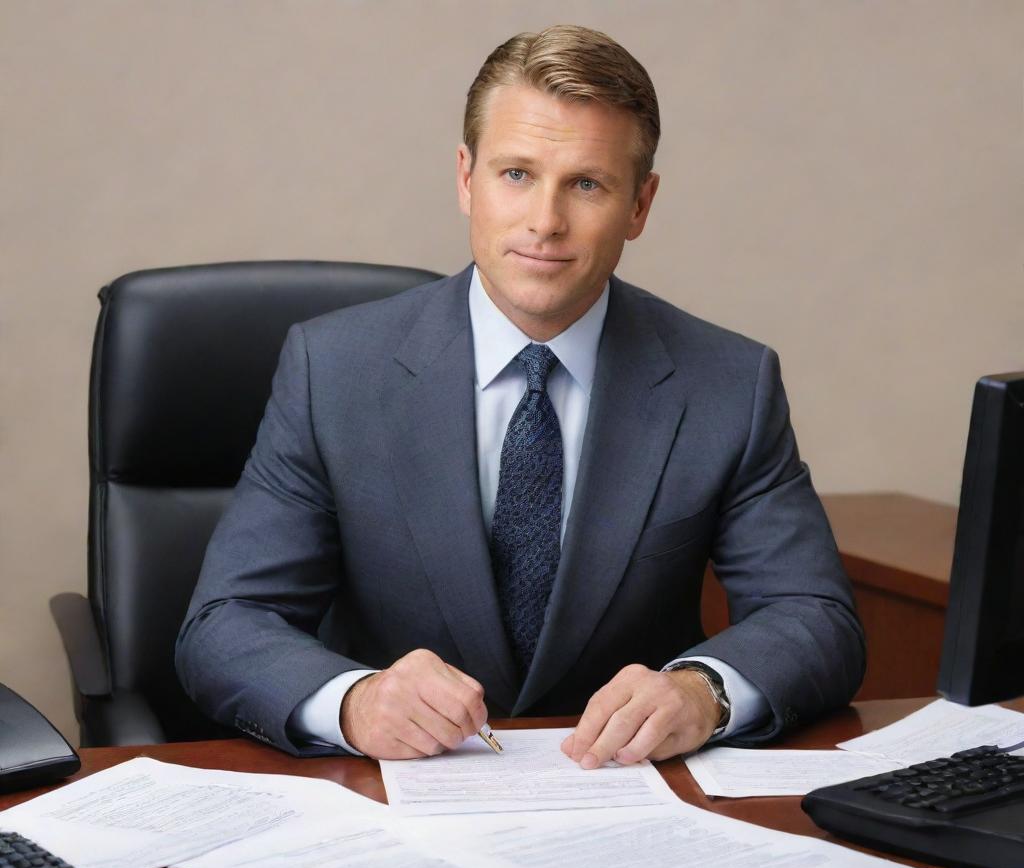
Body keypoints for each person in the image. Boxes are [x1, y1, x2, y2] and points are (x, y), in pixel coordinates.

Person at [176, 25, 864, 766]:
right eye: (516, 175)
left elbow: (816, 616)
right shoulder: (333, 370)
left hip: (628, 803)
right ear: (466, 178)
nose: (545, 222)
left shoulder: (728, 383)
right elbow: (226, 622)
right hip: (394, 799)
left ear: (640, 204)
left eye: (588, 184)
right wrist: (354, 701)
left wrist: (703, 692)